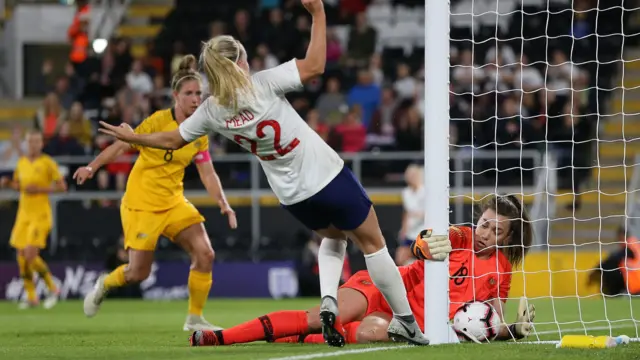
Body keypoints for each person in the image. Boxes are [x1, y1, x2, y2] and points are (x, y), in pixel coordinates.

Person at [97, 0, 449, 347]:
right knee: (374, 245)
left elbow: (174, 136)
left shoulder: (212, 111)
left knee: (336, 237)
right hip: (327, 175)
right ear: (240, 62)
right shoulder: (261, 85)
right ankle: (405, 322)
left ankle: (329, 300)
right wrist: (319, 14)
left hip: (292, 196)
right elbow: (314, 66)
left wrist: (134, 137)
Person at [189, 195, 537, 346]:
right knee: (318, 316)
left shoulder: (500, 270)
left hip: (410, 322)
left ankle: (306, 338)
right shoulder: (462, 237)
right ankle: (219, 337)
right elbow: (430, 240)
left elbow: (488, 320)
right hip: (384, 286)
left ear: (509, 238)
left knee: (371, 331)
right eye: (485, 223)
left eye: (496, 230)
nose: (485, 232)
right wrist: (422, 244)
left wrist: (514, 329)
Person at [75, 55, 237, 332]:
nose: (196, 99)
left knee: (205, 253)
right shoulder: (157, 121)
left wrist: (223, 202)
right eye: (189, 93)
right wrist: (92, 167)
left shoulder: (200, 130)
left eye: (199, 93)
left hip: (174, 201)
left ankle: (194, 319)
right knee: (138, 273)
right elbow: (122, 145)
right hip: (142, 203)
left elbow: (207, 171)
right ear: (175, 96)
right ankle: (104, 284)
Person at [0, 130, 67, 309]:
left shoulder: (48, 163)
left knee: (30, 254)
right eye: (30, 142)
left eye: (36, 142)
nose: (33, 145)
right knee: (21, 257)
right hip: (23, 215)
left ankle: (53, 289)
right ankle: (32, 297)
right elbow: (19, 185)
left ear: (41, 144)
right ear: (26, 144)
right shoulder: (21, 163)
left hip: (41, 215)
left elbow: (62, 187)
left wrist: (40, 189)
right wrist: (8, 184)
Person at [396, 164, 424, 266]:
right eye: (408, 175)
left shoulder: (425, 191)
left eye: (413, 175)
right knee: (400, 258)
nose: (410, 177)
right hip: (410, 232)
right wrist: (403, 230)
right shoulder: (405, 192)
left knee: (423, 261)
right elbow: (406, 212)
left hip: (423, 233)